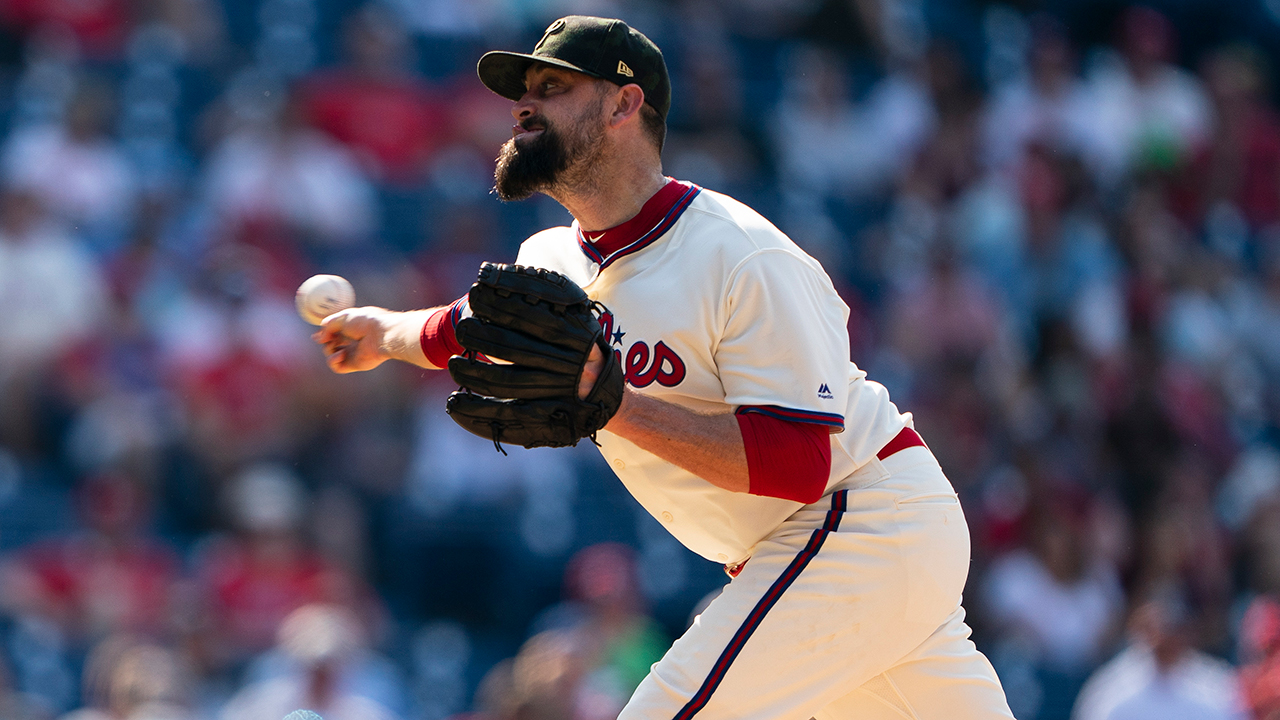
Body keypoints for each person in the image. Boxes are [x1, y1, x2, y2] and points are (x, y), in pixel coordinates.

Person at [314, 15, 1013, 719]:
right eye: (524, 91)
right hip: (814, 552)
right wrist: (383, 333)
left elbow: (801, 462)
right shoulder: (550, 261)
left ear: (625, 103)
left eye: (553, 87)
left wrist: (615, 404)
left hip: (859, 517)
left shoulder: (740, 255)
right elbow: (466, 326)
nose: (524, 106)